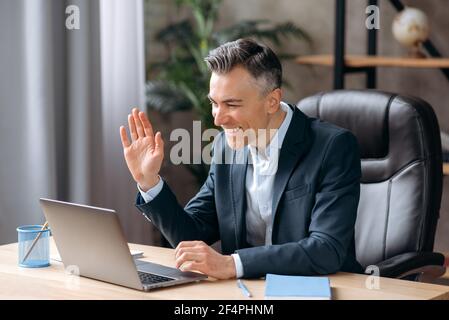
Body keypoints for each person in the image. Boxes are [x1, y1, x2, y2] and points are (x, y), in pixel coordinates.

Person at [119, 38, 363, 279]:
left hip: (321, 288)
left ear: (272, 101)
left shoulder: (332, 147)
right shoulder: (225, 147)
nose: (218, 119)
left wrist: (231, 264)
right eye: (214, 103)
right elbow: (191, 236)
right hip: (245, 292)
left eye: (231, 105)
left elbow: (326, 250)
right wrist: (149, 181)